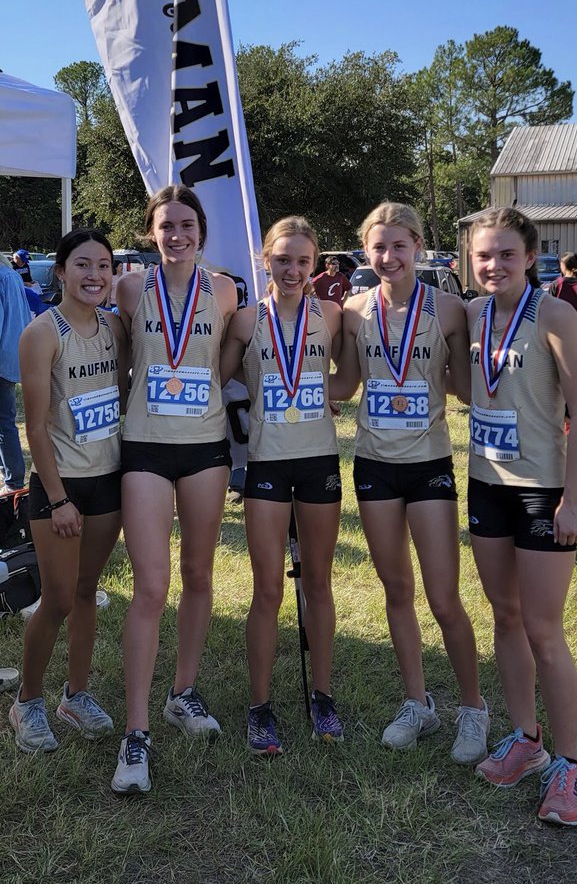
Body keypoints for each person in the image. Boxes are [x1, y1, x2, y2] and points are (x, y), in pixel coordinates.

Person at [331, 202, 488, 762]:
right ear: (365, 251)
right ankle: (417, 702)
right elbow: (345, 385)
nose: (389, 257)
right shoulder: (352, 311)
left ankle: (473, 709)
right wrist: (286, 377)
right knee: (397, 591)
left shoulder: (450, 309)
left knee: (444, 596)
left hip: (428, 466)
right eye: (378, 247)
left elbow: (469, 389)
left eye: (399, 246)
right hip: (374, 465)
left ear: (418, 246)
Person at [467, 207, 577, 826]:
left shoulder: (555, 313)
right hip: (485, 486)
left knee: (544, 630)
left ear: (531, 257)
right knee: (506, 617)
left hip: (542, 492)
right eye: (483, 255)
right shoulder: (472, 312)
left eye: (506, 255)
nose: (493, 265)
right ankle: (526, 738)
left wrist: (575, 499)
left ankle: (570, 766)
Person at [111, 184, 237, 795]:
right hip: (145, 446)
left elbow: (233, 363)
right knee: (150, 587)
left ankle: (181, 693)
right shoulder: (130, 288)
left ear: (201, 230)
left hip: (207, 446)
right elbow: (114, 359)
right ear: (151, 232)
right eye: (166, 226)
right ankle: (136, 732)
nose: (177, 234)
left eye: (186, 224)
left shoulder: (225, 290)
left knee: (199, 574)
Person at [221, 215, 343, 754]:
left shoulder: (334, 316)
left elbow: (355, 374)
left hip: (318, 460)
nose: (292, 270)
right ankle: (260, 705)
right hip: (267, 464)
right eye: (282, 259)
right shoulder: (247, 321)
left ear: (314, 265)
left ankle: (323, 696)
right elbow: (217, 376)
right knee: (267, 589)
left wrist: (327, 388)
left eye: (302, 261)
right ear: (264, 260)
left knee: (317, 582)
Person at [9, 230, 127, 753]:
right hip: (60, 485)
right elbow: (34, 428)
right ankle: (27, 702)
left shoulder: (114, 326)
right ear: (60, 271)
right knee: (55, 599)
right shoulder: (42, 333)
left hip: (109, 478)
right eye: (82, 265)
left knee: (86, 593)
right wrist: (57, 498)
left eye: (103, 265)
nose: (95, 275)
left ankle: (75, 695)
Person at [0, 255, 31, 497]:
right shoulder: (10, 275)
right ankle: (11, 479)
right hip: (12, 357)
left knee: (4, 425)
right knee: (5, 422)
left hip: (2, 358)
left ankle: (13, 482)